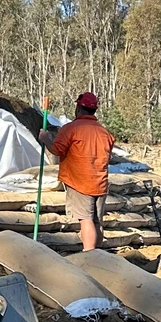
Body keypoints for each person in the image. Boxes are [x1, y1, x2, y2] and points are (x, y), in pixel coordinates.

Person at [39, 92, 115, 251]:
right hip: (100, 183)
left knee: (86, 220)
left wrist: (45, 138)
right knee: (97, 222)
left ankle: (89, 254)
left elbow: (57, 150)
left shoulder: (71, 129)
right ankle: (100, 256)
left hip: (80, 182)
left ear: (79, 108)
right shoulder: (105, 133)